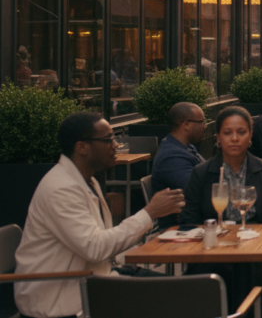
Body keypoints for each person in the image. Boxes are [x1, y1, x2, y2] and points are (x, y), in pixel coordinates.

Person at [15, 112, 184, 318]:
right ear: (82, 147)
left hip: (92, 282)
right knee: (177, 298)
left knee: (183, 291)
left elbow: (101, 244)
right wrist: (149, 213)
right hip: (62, 302)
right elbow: (95, 248)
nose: (116, 145)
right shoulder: (60, 189)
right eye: (108, 139)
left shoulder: (88, 181)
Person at [180, 107, 262, 307]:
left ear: (250, 135)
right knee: (224, 270)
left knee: (239, 271)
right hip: (211, 254)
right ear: (218, 138)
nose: (234, 138)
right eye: (227, 133)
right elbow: (188, 221)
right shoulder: (202, 173)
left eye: (241, 132)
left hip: (259, 255)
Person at [152, 102, 207, 193]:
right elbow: (199, 189)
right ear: (186, 125)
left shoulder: (187, 147)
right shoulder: (171, 157)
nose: (205, 126)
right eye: (201, 122)